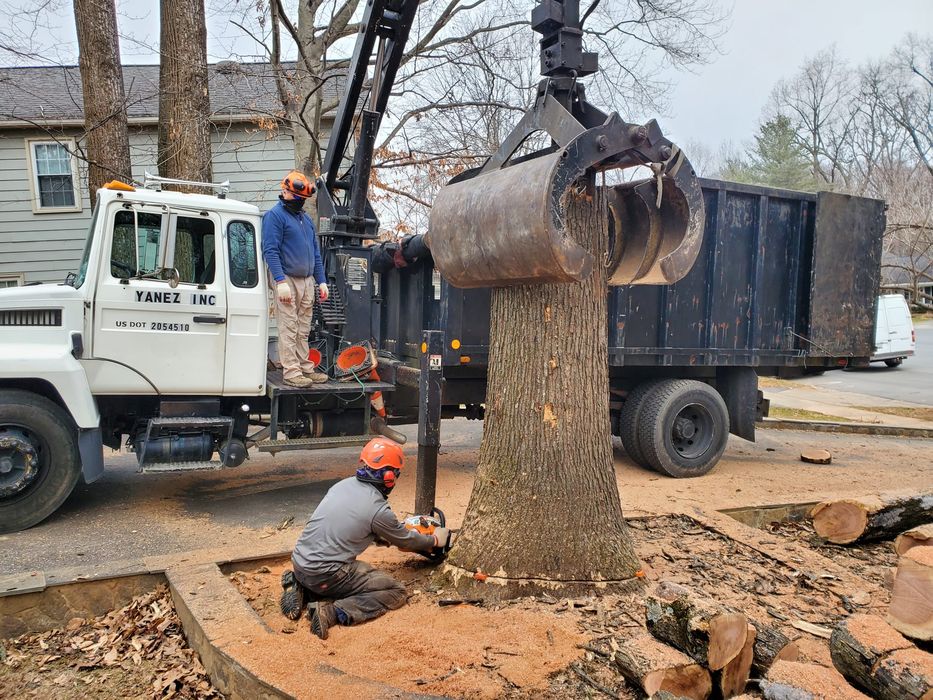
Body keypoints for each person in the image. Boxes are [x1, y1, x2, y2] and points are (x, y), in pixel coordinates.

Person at [279, 438, 453, 639]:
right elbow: (406, 541)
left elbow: (352, 526)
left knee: (323, 574)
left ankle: (300, 586)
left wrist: (385, 536)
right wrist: (434, 541)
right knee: (395, 591)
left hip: (300, 563)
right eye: (395, 474)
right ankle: (331, 612)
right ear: (388, 477)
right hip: (326, 575)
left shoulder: (342, 486)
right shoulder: (378, 510)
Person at [262, 170, 330, 388]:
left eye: (302, 198)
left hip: (307, 279)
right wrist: (280, 281)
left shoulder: (305, 220)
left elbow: (315, 253)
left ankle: (305, 368)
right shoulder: (275, 216)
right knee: (289, 326)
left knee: (303, 328)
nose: (299, 201)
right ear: (285, 191)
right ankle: (291, 372)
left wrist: (321, 281)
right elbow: (270, 250)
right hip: (287, 279)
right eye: (296, 196)